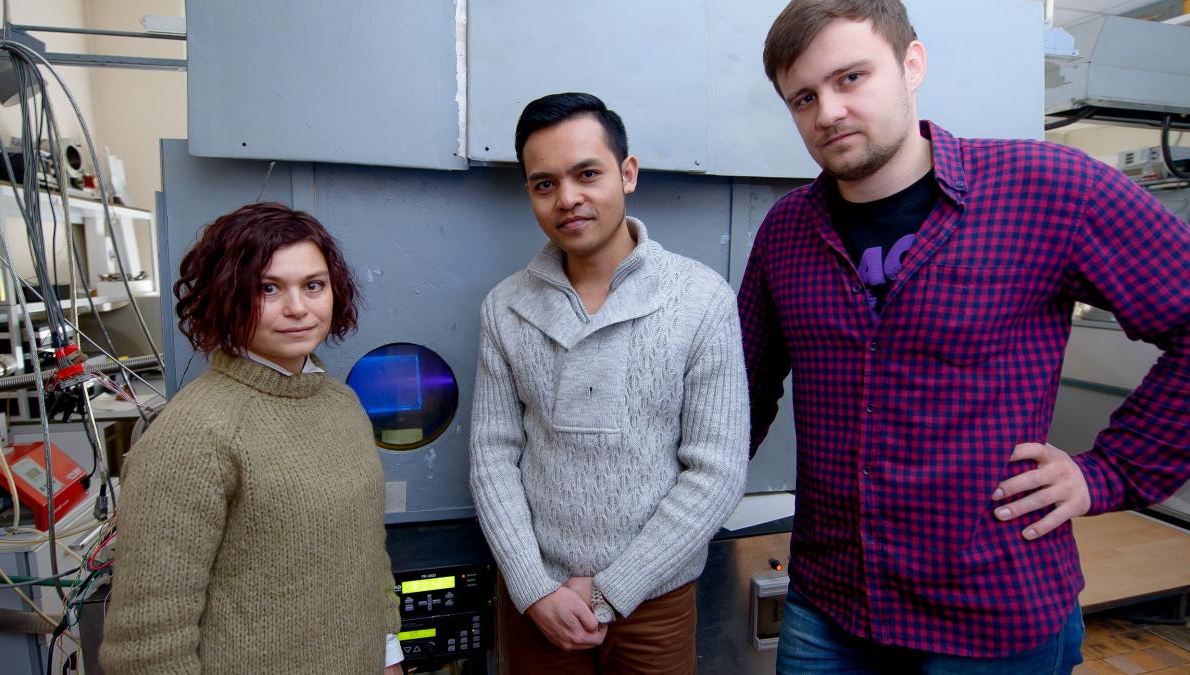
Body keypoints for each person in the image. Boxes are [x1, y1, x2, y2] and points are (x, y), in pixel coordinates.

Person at [738, 1, 1190, 672]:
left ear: (912, 64)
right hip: (832, 611)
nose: (828, 112)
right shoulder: (787, 232)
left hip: (993, 616)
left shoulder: (1049, 190)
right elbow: (740, 395)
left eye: (851, 78)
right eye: (804, 97)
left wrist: (1110, 470)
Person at [468, 92, 749, 674]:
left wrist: (613, 589)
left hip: (655, 602)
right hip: (537, 602)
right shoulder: (506, 307)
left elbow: (716, 469)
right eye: (544, 184)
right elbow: (493, 456)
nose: (567, 198)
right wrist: (532, 586)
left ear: (628, 174)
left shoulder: (700, 300)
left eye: (587, 174)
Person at [100, 203, 404, 674]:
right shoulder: (193, 434)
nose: (298, 308)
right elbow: (147, 644)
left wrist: (388, 655)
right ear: (226, 296)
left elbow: (366, 555)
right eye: (268, 288)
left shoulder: (341, 404)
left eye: (313, 285)